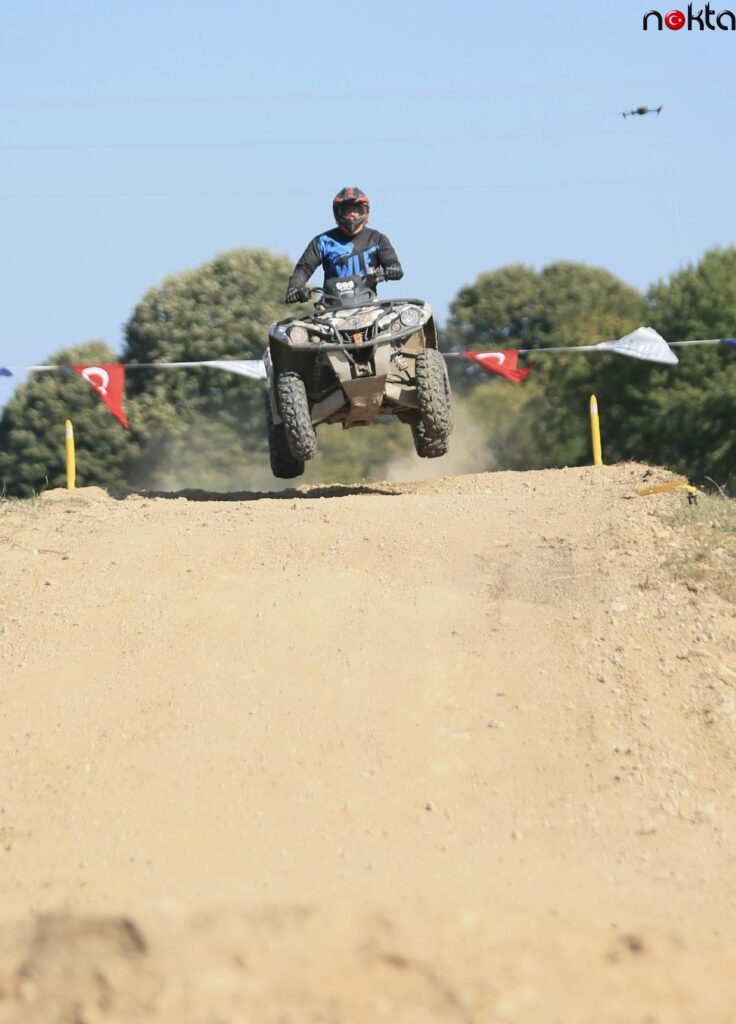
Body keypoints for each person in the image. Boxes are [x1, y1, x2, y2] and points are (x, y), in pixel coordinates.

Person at [285, 187, 403, 303]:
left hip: (369, 304)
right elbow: (304, 268)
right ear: (337, 213)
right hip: (329, 307)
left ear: (366, 212)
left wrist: (393, 270)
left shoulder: (377, 239)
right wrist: (295, 287)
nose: (352, 215)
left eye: (357, 210)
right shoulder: (322, 241)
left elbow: (392, 263)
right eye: (347, 211)